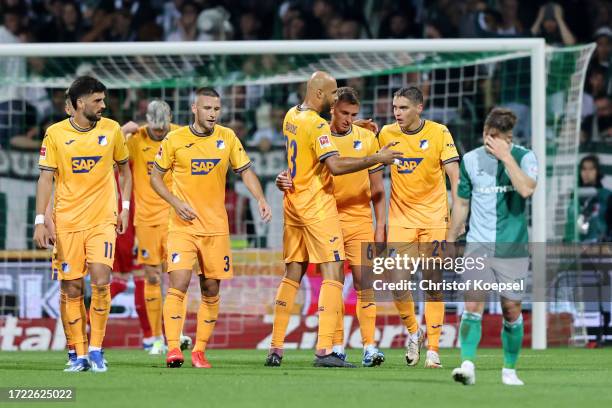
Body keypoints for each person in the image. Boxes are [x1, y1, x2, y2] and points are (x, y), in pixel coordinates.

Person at [265, 71, 401, 368]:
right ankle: (326, 349)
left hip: (294, 205)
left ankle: (276, 347)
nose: (332, 102)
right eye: (331, 96)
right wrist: (378, 158)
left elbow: (300, 155)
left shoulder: (291, 115)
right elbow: (335, 166)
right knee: (334, 274)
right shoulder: (317, 125)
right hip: (318, 207)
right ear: (319, 94)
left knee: (292, 274)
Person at [150, 87, 272, 368]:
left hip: (215, 227)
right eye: (207, 109)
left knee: (211, 288)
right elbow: (155, 177)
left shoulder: (227, 137)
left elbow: (245, 171)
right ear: (194, 108)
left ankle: (199, 351)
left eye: (216, 109)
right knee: (177, 282)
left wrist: (261, 198)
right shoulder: (175, 139)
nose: (213, 114)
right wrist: (175, 201)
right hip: (182, 225)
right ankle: (173, 349)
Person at [34, 75, 132, 372]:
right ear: (79, 104)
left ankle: (97, 349)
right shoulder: (54, 134)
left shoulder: (112, 130)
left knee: (101, 280)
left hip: (102, 220)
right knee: (72, 288)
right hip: (67, 223)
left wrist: (124, 207)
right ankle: (77, 354)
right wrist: (41, 220)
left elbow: (125, 172)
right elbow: (45, 179)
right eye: (97, 101)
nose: (103, 105)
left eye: (104, 100)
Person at [448, 108, 537, 386]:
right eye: (492, 136)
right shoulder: (471, 160)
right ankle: (467, 365)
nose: (496, 142)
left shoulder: (524, 157)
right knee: (472, 305)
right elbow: (462, 204)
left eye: (502, 138)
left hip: (513, 247)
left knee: (511, 310)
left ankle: (509, 370)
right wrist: (451, 239)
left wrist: (506, 156)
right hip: (478, 246)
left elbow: (526, 190)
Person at [378, 86, 460, 369]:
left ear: (419, 108)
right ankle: (415, 332)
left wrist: (457, 216)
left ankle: (435, 350)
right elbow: (369, 159)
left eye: (402, 107)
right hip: (401, 219)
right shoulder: (386, 134)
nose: (396, 113)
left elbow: (455, 176)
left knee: (433, 282)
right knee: (398, 283)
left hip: (434, 218)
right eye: (394, 107)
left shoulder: (439, 133)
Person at [121, 100, 187, 355]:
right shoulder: (136, 139)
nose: (159, 133)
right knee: (152, 277)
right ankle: (156, 339)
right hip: (147, 220)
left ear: (170, 118)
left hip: (176, 218)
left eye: (163, 129)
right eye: (156, 130)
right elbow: (108, 153)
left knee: (178, 277)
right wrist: (122, 131)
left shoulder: (182, 135)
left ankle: (176, 333)